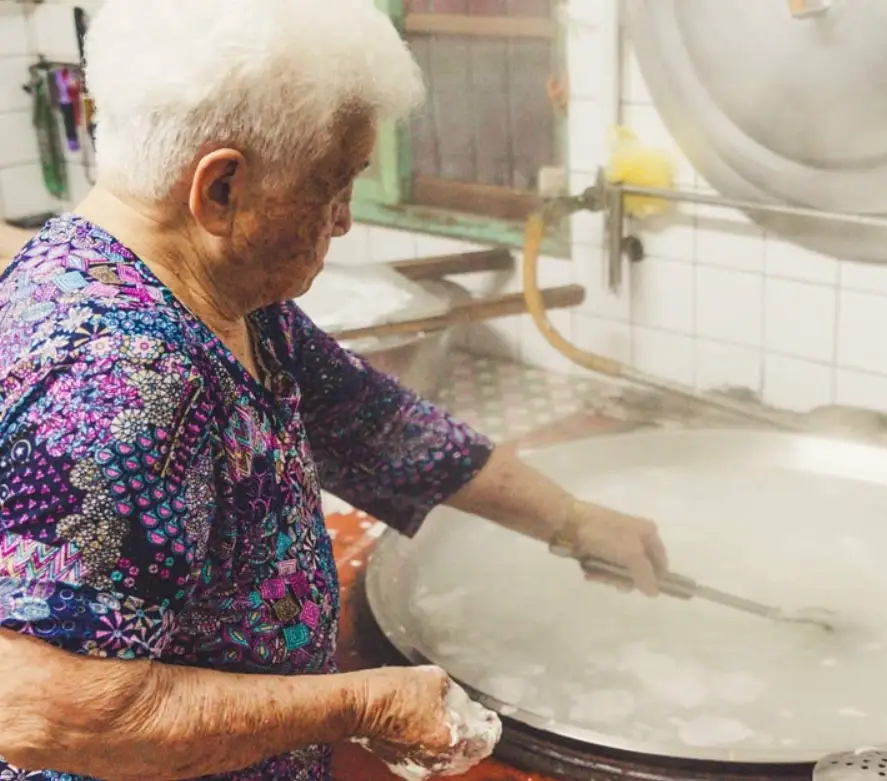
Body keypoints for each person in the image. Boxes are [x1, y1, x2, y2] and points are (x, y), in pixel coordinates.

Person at [0, 1, 670, 779]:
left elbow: (376, 426)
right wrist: (358, 704)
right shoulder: (121, 376)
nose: (345, 219)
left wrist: (575, 520)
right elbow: (45, 706)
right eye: (333, 184)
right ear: (220, 189)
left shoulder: (219, 298)